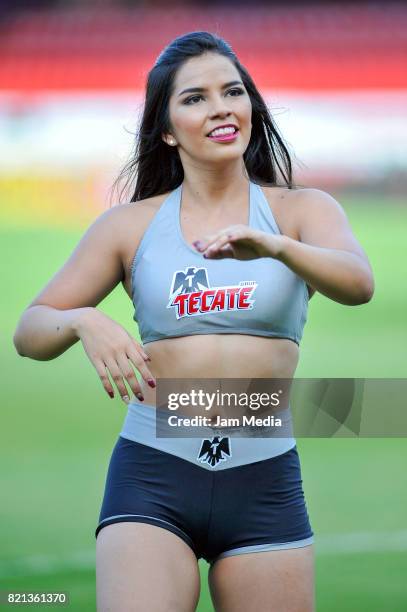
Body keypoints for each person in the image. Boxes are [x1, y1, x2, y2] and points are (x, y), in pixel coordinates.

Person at [13, 31, 374, 612]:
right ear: (166, 128)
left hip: (264, 475)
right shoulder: (128, 226)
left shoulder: (301, 211)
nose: (220, 108)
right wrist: (83, 320)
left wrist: (278, 248)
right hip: (154, 472)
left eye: (232, 91)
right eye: (195, 98)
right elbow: (30, 331)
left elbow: (358, 283)